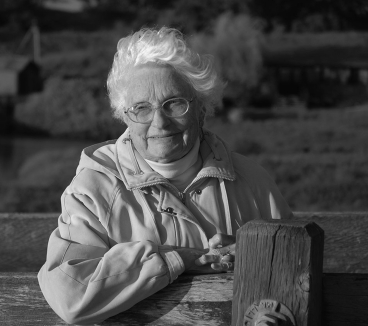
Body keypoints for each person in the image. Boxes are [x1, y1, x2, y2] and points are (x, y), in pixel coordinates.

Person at [38, 27, 292, 325]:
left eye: (174, 103)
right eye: (141, 108)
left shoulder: (252, 181)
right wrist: (178, 259)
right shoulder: (94, 189)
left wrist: (249, 256)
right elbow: (70, 294)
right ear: (125, 117)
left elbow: (292, 269)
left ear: (202, 109)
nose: (159, 121)